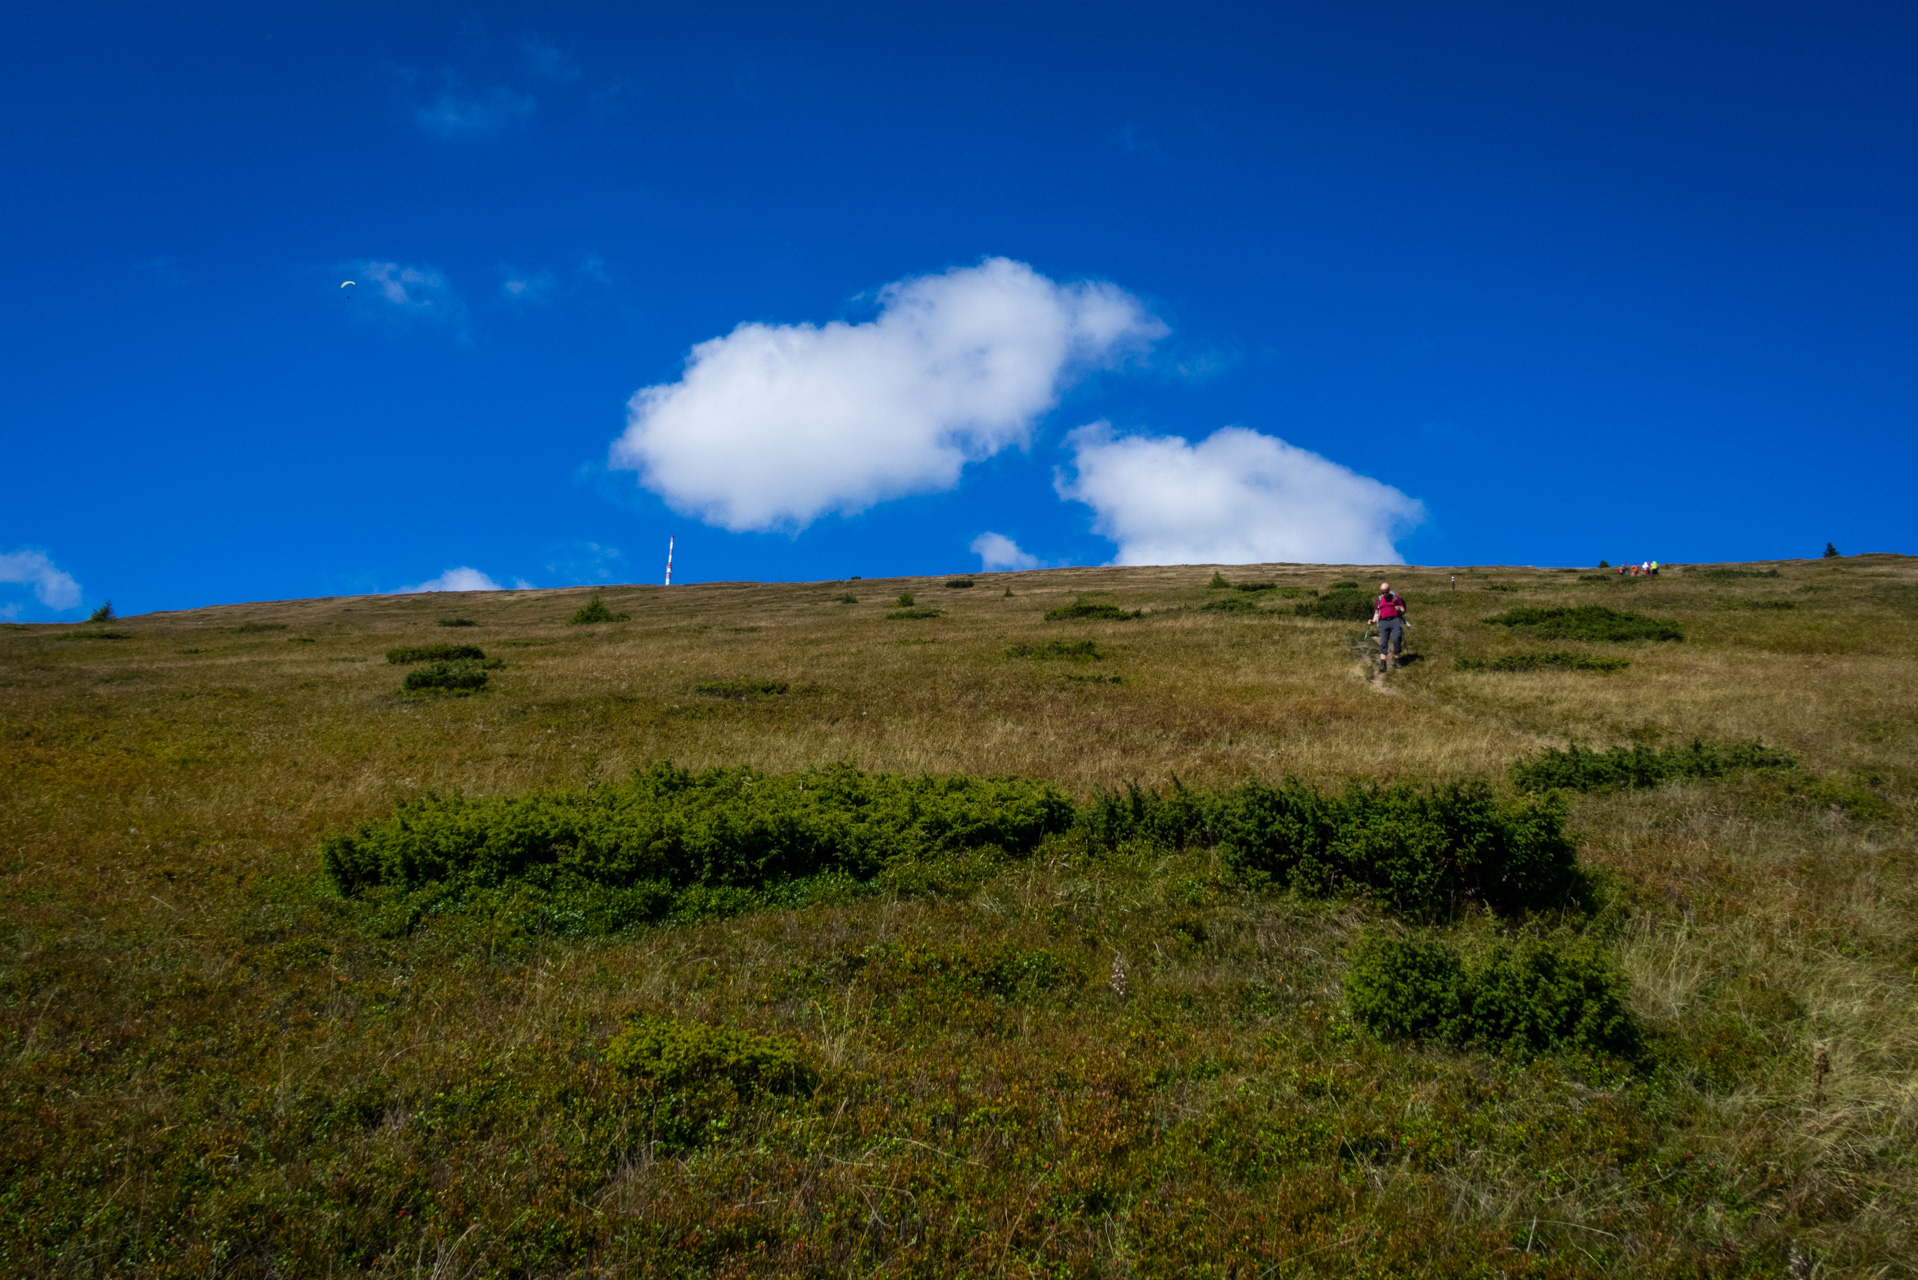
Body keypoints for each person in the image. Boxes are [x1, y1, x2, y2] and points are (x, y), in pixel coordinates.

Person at [1372, 581, 1407, 673]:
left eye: (1386, 592)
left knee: (1397, 639)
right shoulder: (1379, 599)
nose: (1384, 594)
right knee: (1383, 642)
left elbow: (1403, 610)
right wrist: (1373, 621)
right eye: (1382, 592)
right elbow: (1376, 613)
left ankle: (1397, 662)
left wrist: (1399, 609)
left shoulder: (1395, 598)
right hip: (1383, 622)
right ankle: (1383, 665)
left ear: (1389, 590)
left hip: (1394, 620)